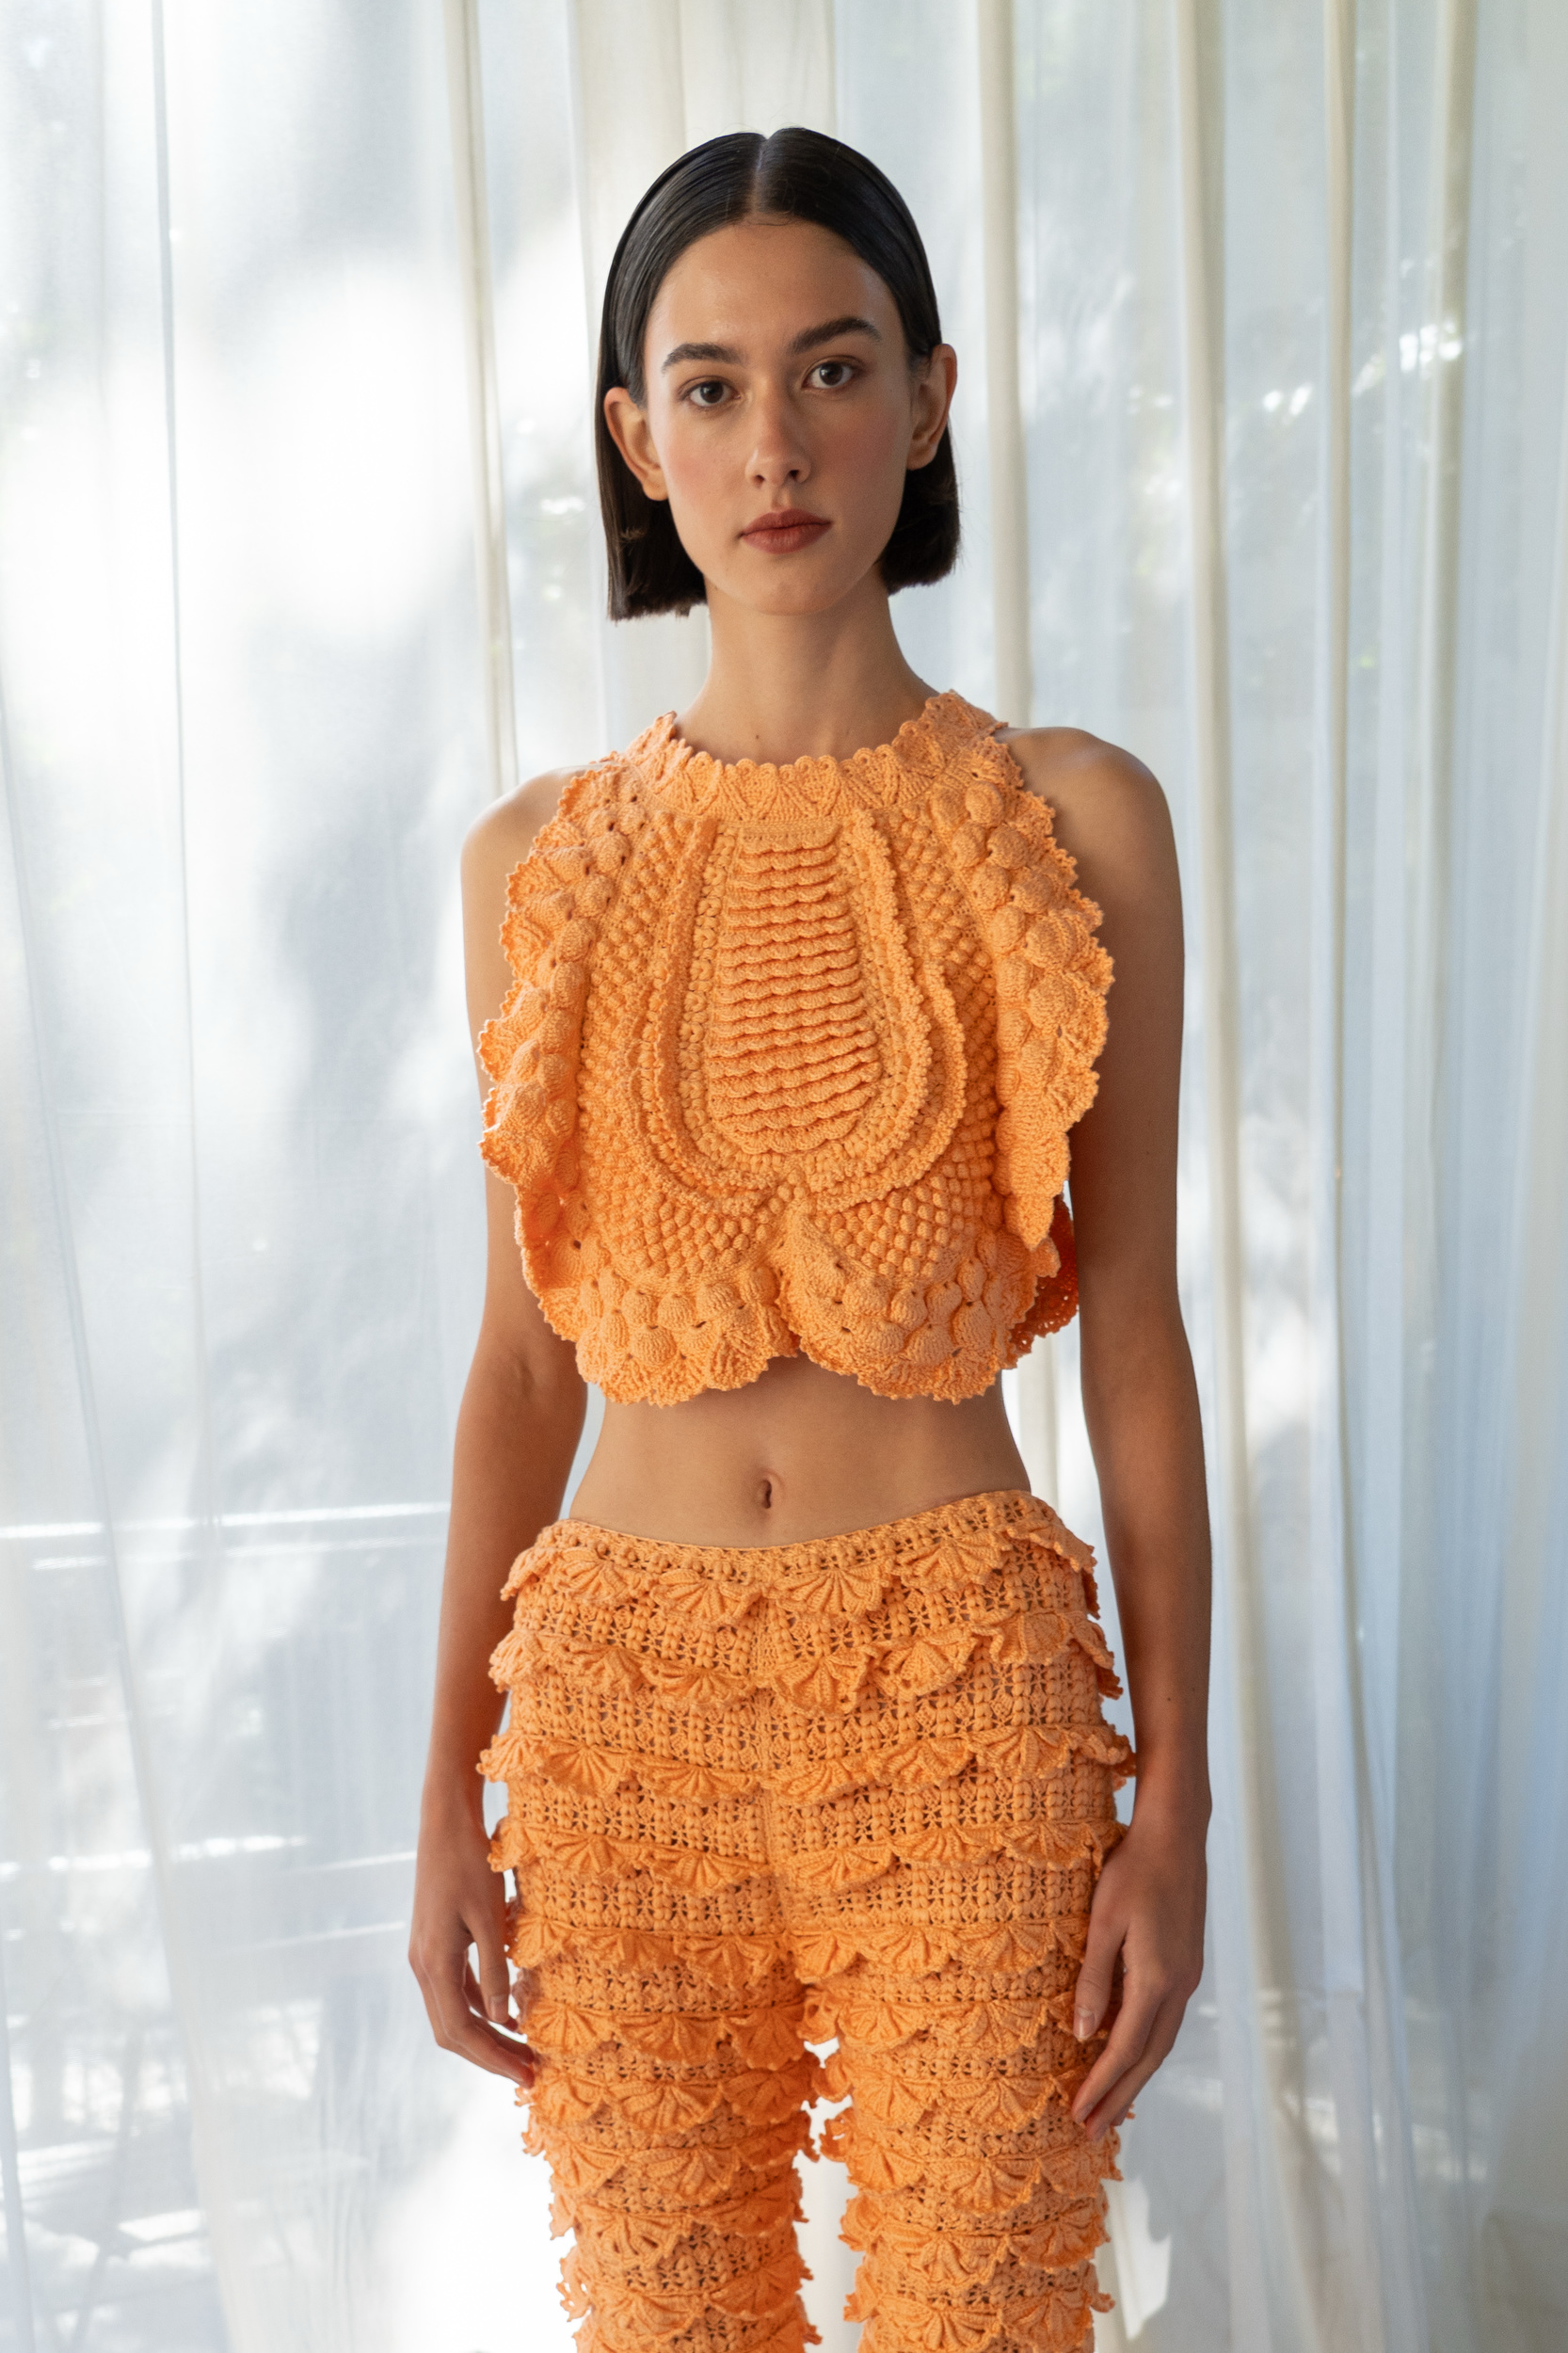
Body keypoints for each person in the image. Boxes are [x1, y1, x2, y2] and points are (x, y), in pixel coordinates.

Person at [409, 126, 1209, 2353]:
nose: (773, 442)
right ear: (633, 437)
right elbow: (519, 1365)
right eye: (710, 385)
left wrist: (1174, 1801)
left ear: (929, 399)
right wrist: (441, 1793)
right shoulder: (529, 864)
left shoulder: (1071, 820)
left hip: (963, 1700)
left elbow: (1135, 1336)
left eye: (833, 369)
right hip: (610, 1729)